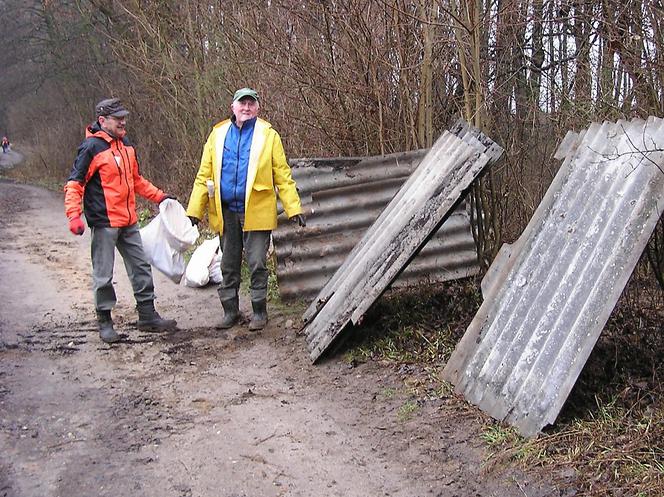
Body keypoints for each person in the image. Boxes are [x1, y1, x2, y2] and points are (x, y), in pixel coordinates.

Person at [186, 87, 305, 331]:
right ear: (233, 107)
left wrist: (294, 208)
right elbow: (204, 174)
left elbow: (282, 175)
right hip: (226, 210)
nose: (246, 108)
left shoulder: (268, 135)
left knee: (257, 262)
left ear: (258, 108)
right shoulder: (218, 135)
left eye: (251, 104)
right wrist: (194, 210)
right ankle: (230, 311)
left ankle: (259, 311)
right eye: (242, 104)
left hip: (257, 210)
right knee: (228, 264)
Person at [64, 98, 177, 344]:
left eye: (124, 117)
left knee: (141, 266)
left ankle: (147, 316)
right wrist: (74, 215)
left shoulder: (126, 145)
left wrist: (159, 196)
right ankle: (105, 321)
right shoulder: (91, 148)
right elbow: (75, 184)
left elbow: (136, 180)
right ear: (102, 121)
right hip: (104, 222)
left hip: (129, 221)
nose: (123, 122)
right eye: (118, 119)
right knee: (103, 274)